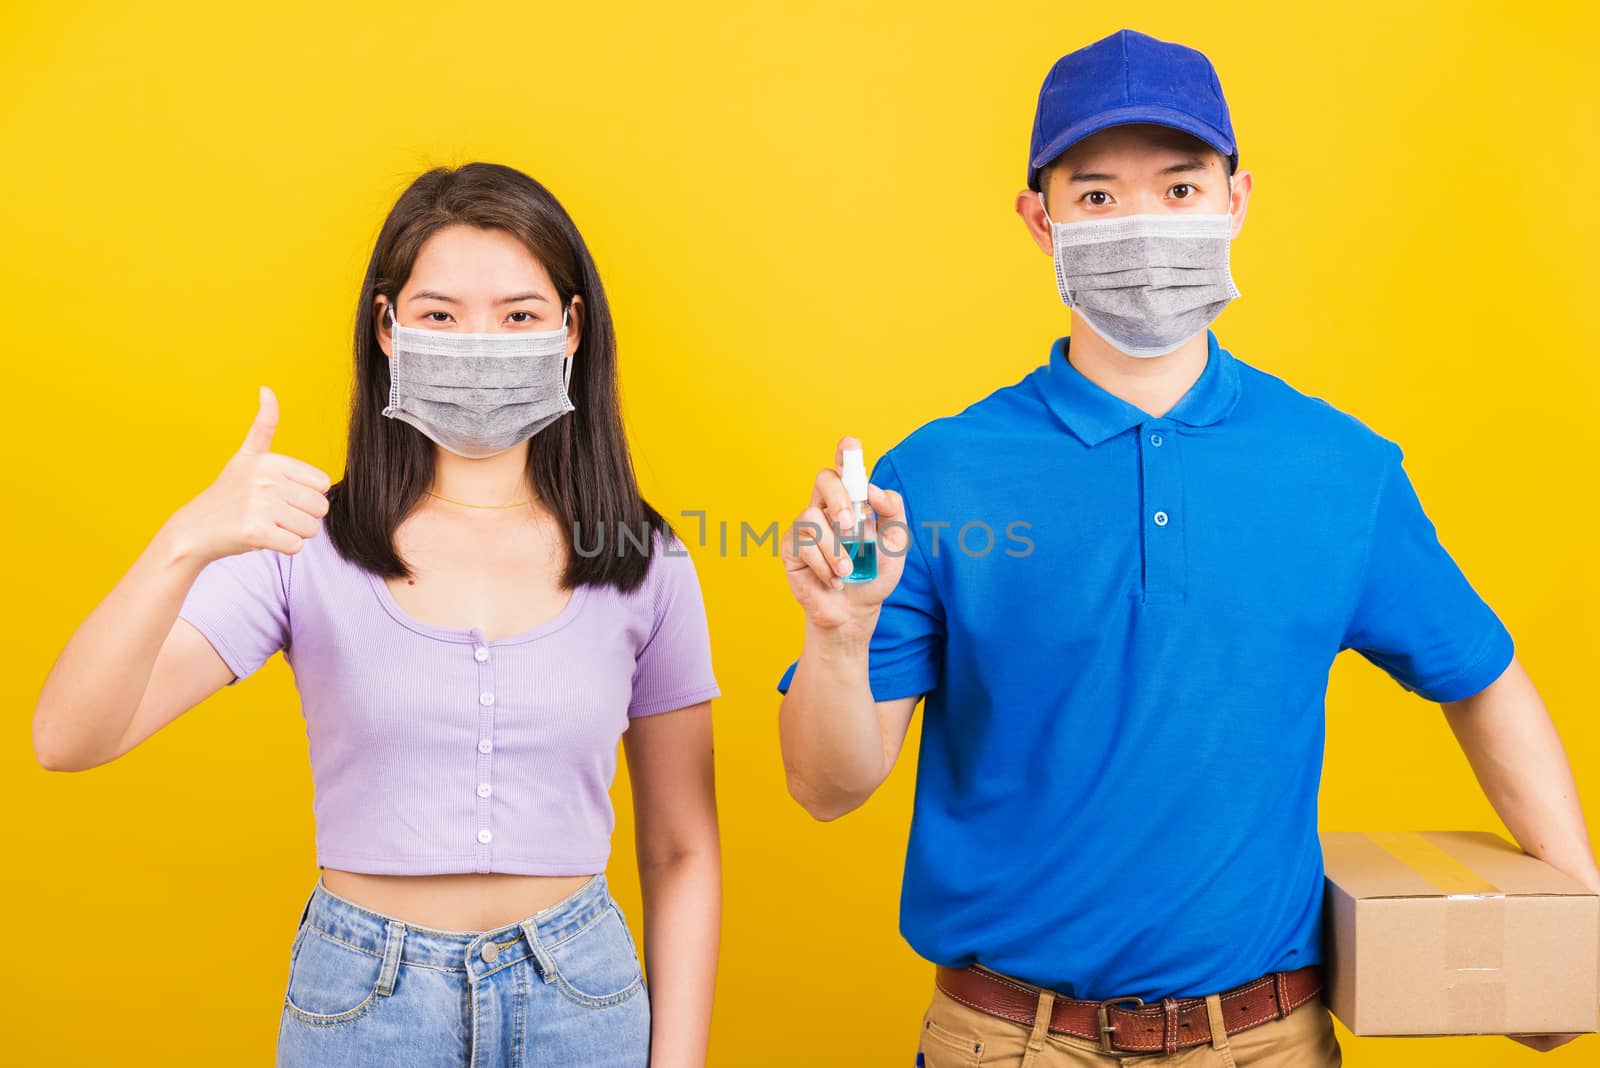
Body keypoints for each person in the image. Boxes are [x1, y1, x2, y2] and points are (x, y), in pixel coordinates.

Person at [774, 28, 1599, 1066]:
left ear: (1235, 201)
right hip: (1008, 1039)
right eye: (1096, 196)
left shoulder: (1336, 467)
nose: (1141, 225)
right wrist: (838, 636)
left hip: (1264, 1039)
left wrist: (1575, 925)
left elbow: (1481, 676)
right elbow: (825, 786)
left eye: (1177, 189)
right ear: (1040, 221)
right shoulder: (936, 476)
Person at [34, 162, 722, 1067]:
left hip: (579, 997)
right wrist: (185, 542)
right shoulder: (301, 543)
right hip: (363, 1001)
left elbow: (680, 850)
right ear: (388, 329)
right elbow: (70, 736)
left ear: (571, 330)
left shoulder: (645, 560)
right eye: (441, 314)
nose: (481, 340)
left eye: (518, 314)